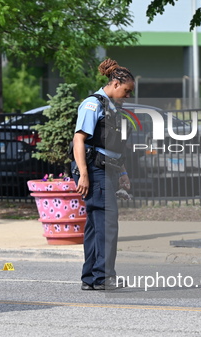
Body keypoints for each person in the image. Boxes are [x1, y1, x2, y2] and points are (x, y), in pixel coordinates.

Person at [72, 58, 134, 291]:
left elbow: (113, 146)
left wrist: (123, 172)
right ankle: (103, 277)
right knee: (107, 224)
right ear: (116, 84)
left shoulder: (111, 107)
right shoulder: (92, 104)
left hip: (106, 169)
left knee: (96, 225)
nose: (128, 96)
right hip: (94, 171)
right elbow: (79, 139)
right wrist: (84, 175)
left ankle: (91, 277)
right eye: (126, 91)